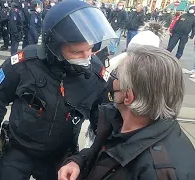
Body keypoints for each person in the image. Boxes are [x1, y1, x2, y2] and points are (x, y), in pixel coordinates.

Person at [0, 1, 117, 179]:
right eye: (77, 52)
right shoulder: (24, 64)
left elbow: (104, 127)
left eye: (90, 49)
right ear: (54, 47)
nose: (87, 58)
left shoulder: (95, 77)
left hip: (59, 158)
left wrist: (83, 160)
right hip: (18, 151)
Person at [58, 45, 195, 180]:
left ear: (128, 96)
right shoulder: (120, 120)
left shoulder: (159, 172)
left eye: (116, 75)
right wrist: (78, 162)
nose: (111, 79)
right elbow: (105, 154)